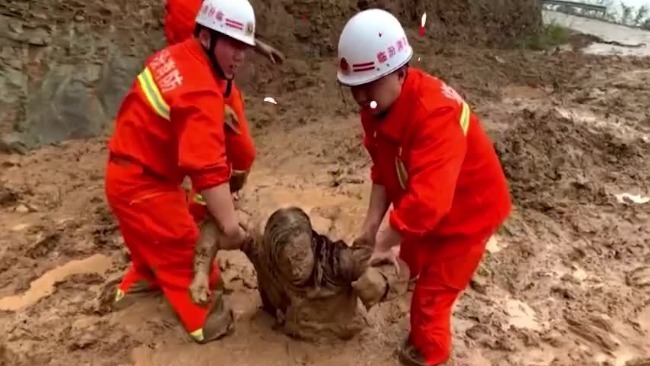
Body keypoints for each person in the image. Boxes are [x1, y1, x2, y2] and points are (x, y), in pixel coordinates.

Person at [336, 9, 512, 366]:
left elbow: (429, 205)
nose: (360, 98)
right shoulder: (377, 106)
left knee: (429, 305)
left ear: (399, 71)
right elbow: (384, 171)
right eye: (354, 88)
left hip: (468, 217)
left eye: (368, 86)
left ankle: (428, 355)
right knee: (407, 256)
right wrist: (371, 231)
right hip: (428, 202)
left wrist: (387, 240)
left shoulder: (434, 115)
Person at [105, 0, 262, 344]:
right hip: (145, 189)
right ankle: (205, 321)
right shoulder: (198, 90)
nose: (240, 56)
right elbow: (205, 167)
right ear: (206, 37)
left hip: (130, 178)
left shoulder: (179, 56)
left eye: (245, 47)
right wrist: (230, 225)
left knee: (154, 248)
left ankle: (141, 284)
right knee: (192, 258)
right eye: (233, 45)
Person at [164, 0, 284, 63]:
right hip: (190, 64)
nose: (240, 57)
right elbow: (199, 37)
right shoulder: (184, 7)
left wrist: (256, 44)